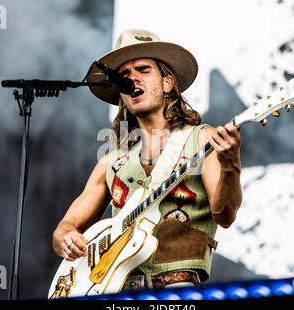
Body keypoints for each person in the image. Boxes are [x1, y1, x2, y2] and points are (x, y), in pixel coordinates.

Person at [52, 29, 242, 291]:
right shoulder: (111, 162)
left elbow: (225, 215)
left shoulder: (202, 140)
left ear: (168, 83)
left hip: (178, 290)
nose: (132, 78)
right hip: (116, 293)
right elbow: (65, 226)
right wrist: (66, 238)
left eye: (143, 69)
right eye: (125, 75)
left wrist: (231, 165)